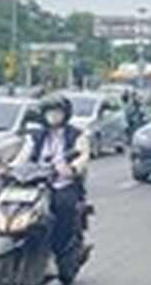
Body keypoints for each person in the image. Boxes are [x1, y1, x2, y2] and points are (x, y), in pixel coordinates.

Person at [10, 93, 92, 267]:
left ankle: (59, 250)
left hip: (62, 184)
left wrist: (72, 168)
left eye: (57, 112)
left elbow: (83, 156)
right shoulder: (36, 136)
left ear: (65, 114)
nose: (53, 116)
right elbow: (23, 156)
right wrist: (9, 169)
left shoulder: (76, 134)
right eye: (49, 112)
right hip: (36, 182)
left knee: (62, 207)